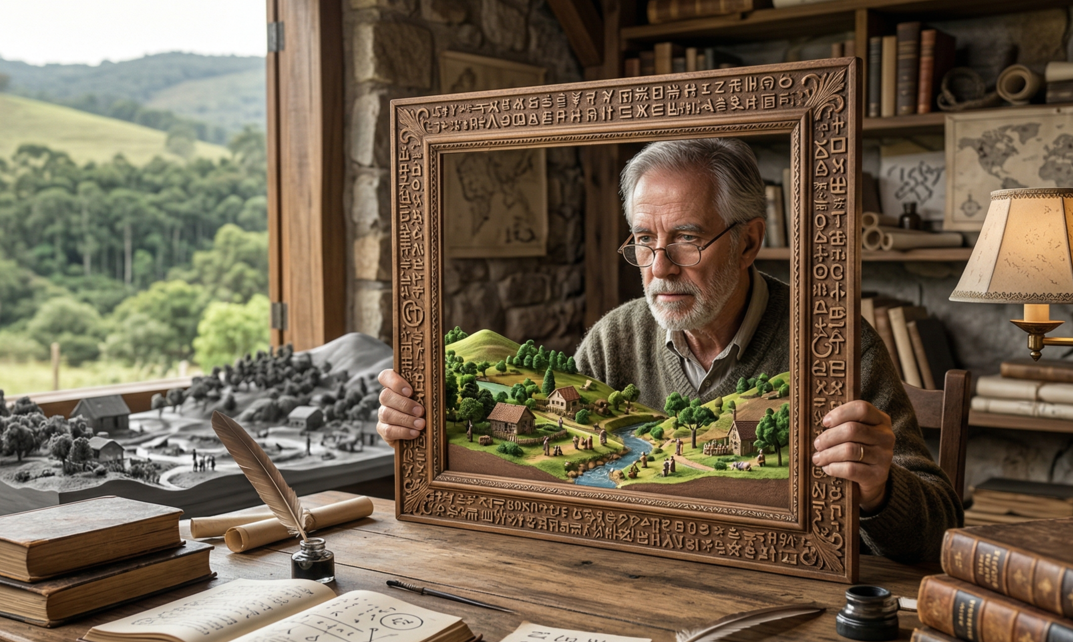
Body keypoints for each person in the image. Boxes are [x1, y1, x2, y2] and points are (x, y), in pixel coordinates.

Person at [377, 138, 962, 563]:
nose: (659, 268)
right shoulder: (615, 338)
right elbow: (559, 482)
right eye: (643, 241)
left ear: (749, 241)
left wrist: (880, 490)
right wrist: (432, 426)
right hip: (634, 584)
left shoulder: (834, 342)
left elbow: (942, 528)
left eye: (685, 237)